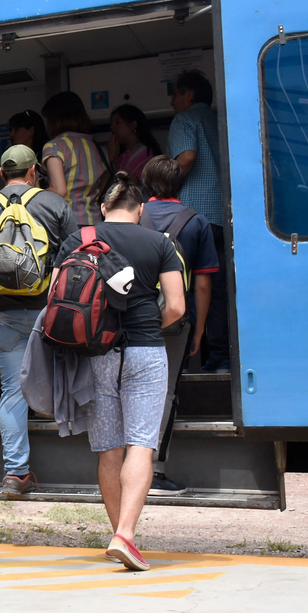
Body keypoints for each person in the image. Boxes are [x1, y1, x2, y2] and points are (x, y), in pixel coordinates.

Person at [50, 171, 185, 571]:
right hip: (145, 352)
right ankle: (125, 534)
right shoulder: (160, 242)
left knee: (109, 447)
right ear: (141, 210)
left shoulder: (80, 238)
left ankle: (119, 534)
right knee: (141, 442)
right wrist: (149, 324)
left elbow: (55, 295)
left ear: (104, 209)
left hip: (97, 354)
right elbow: (176, 306)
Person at [0, 145, 75, 498]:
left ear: (4, 172)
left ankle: (16, 474)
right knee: (61, 373)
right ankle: (77, 455)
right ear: (32, 173)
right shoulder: (56, 204)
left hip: (0, 312)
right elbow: (74, 263)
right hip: (48, 309)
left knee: (12, 390)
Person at [139, 156, 219, 496]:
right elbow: (202, 285)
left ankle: (124, 465)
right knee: (165, 392)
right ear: (181, 184)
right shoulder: (196, 222)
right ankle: (154, 471)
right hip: (174, 321)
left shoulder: (133, 216)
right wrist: (198, 329)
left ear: (146, 183)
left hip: (130, 318)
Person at [168, 70, 229, 372]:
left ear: (188, 96)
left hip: (192, 218)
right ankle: (220, 358)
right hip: (221, 217)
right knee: (217, 291)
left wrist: (164, 184)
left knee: (185, 290)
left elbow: (188, 156)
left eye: (175, 94)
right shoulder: (220, 120)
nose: (171, 101)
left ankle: (189, 360)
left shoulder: (184, 120)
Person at [41, 91, 109, 227]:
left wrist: (36, 191)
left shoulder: (54, 146)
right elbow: (105, 181)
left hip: (67, 224)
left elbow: (59, 190)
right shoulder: (98, 147)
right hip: (95, 222)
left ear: (55, 119)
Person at [107, 104, 162, 182]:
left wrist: (111, 157)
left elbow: (123, 183)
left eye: (118, 122)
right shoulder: (122, 154)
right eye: (112, 123)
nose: (112, 127)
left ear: (133, 125)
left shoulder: (143, 152)